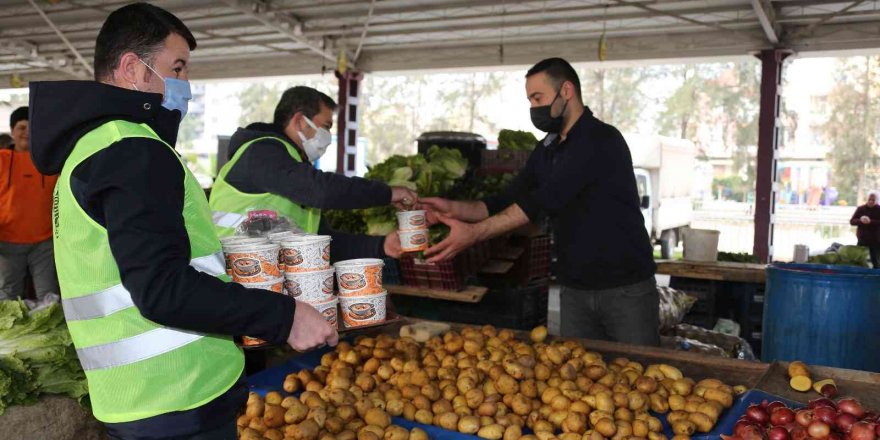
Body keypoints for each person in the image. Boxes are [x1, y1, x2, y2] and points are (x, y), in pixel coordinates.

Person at [29, 4, 337, 439]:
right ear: (133, 69)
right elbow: (162, 288)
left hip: (133, 400)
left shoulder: (91, 148)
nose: (186, 85)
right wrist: (284, 316)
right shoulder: (131, 149)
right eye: (177, 68)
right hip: (178, 398)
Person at [420, 57, 659, 346]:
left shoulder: (600, 140)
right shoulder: (547, 147)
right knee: (582, 378)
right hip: (574, 289)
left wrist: (473, 234)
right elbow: (508, 197)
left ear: (566, 91)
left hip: (625, 289)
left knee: (646, 374)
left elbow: (542, 201)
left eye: (538, 98)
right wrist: (453, 208)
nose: (534, 108)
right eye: (530, 100)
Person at [209, 86, 416, 260]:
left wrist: (381, 246)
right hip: (233, 280)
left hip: (268, 284)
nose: (328, 136)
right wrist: (387, 193)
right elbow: (321, 190)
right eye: (325, 127)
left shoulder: (294, 166)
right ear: (299, 121)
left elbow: (321, 242)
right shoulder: (261, 152)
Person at [0, 106, 60, 299]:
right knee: (7, 296)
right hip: (7, 241)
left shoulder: (49, 161)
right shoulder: (1, 159)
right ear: (12, 131)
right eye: (21, 127)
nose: (26, 133)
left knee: (48, 296)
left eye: (31, 128)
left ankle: (46, 330)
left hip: (45, 242)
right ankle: (9, 331)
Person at [850, 192, 880, 268]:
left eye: (873, 200)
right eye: (869, 199)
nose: (871, 201)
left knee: (875, 260)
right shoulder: (860, 209)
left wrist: (871, 222)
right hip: (862, 238)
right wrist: (860, 221)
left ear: (876, 200)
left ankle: (876, 275)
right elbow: (852, 221)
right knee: (858, 258)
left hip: (875, 239)